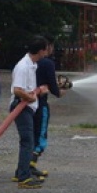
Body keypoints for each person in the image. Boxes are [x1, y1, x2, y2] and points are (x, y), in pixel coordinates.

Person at [10, 36, 49, 189]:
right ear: (40, 51)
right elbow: (17, 90)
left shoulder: (32, 64)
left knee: (29, 141)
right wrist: (31, 98)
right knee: (27, 142)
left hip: (27, 108)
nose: (46, 53)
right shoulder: (23, 66)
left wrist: (37, 92)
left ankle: (21, 172)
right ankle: (23, 178)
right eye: (45, 50)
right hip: (22, 107)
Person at [31, 35, 67, 178]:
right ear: (48, 48)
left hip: (30, 104)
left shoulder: (31, 61)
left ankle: (27, 166)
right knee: (40, 136)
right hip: (41, 104)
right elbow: (53, 87)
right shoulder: (48, 63)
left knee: (32, 135)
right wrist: (60, 92)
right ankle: (30, 166)